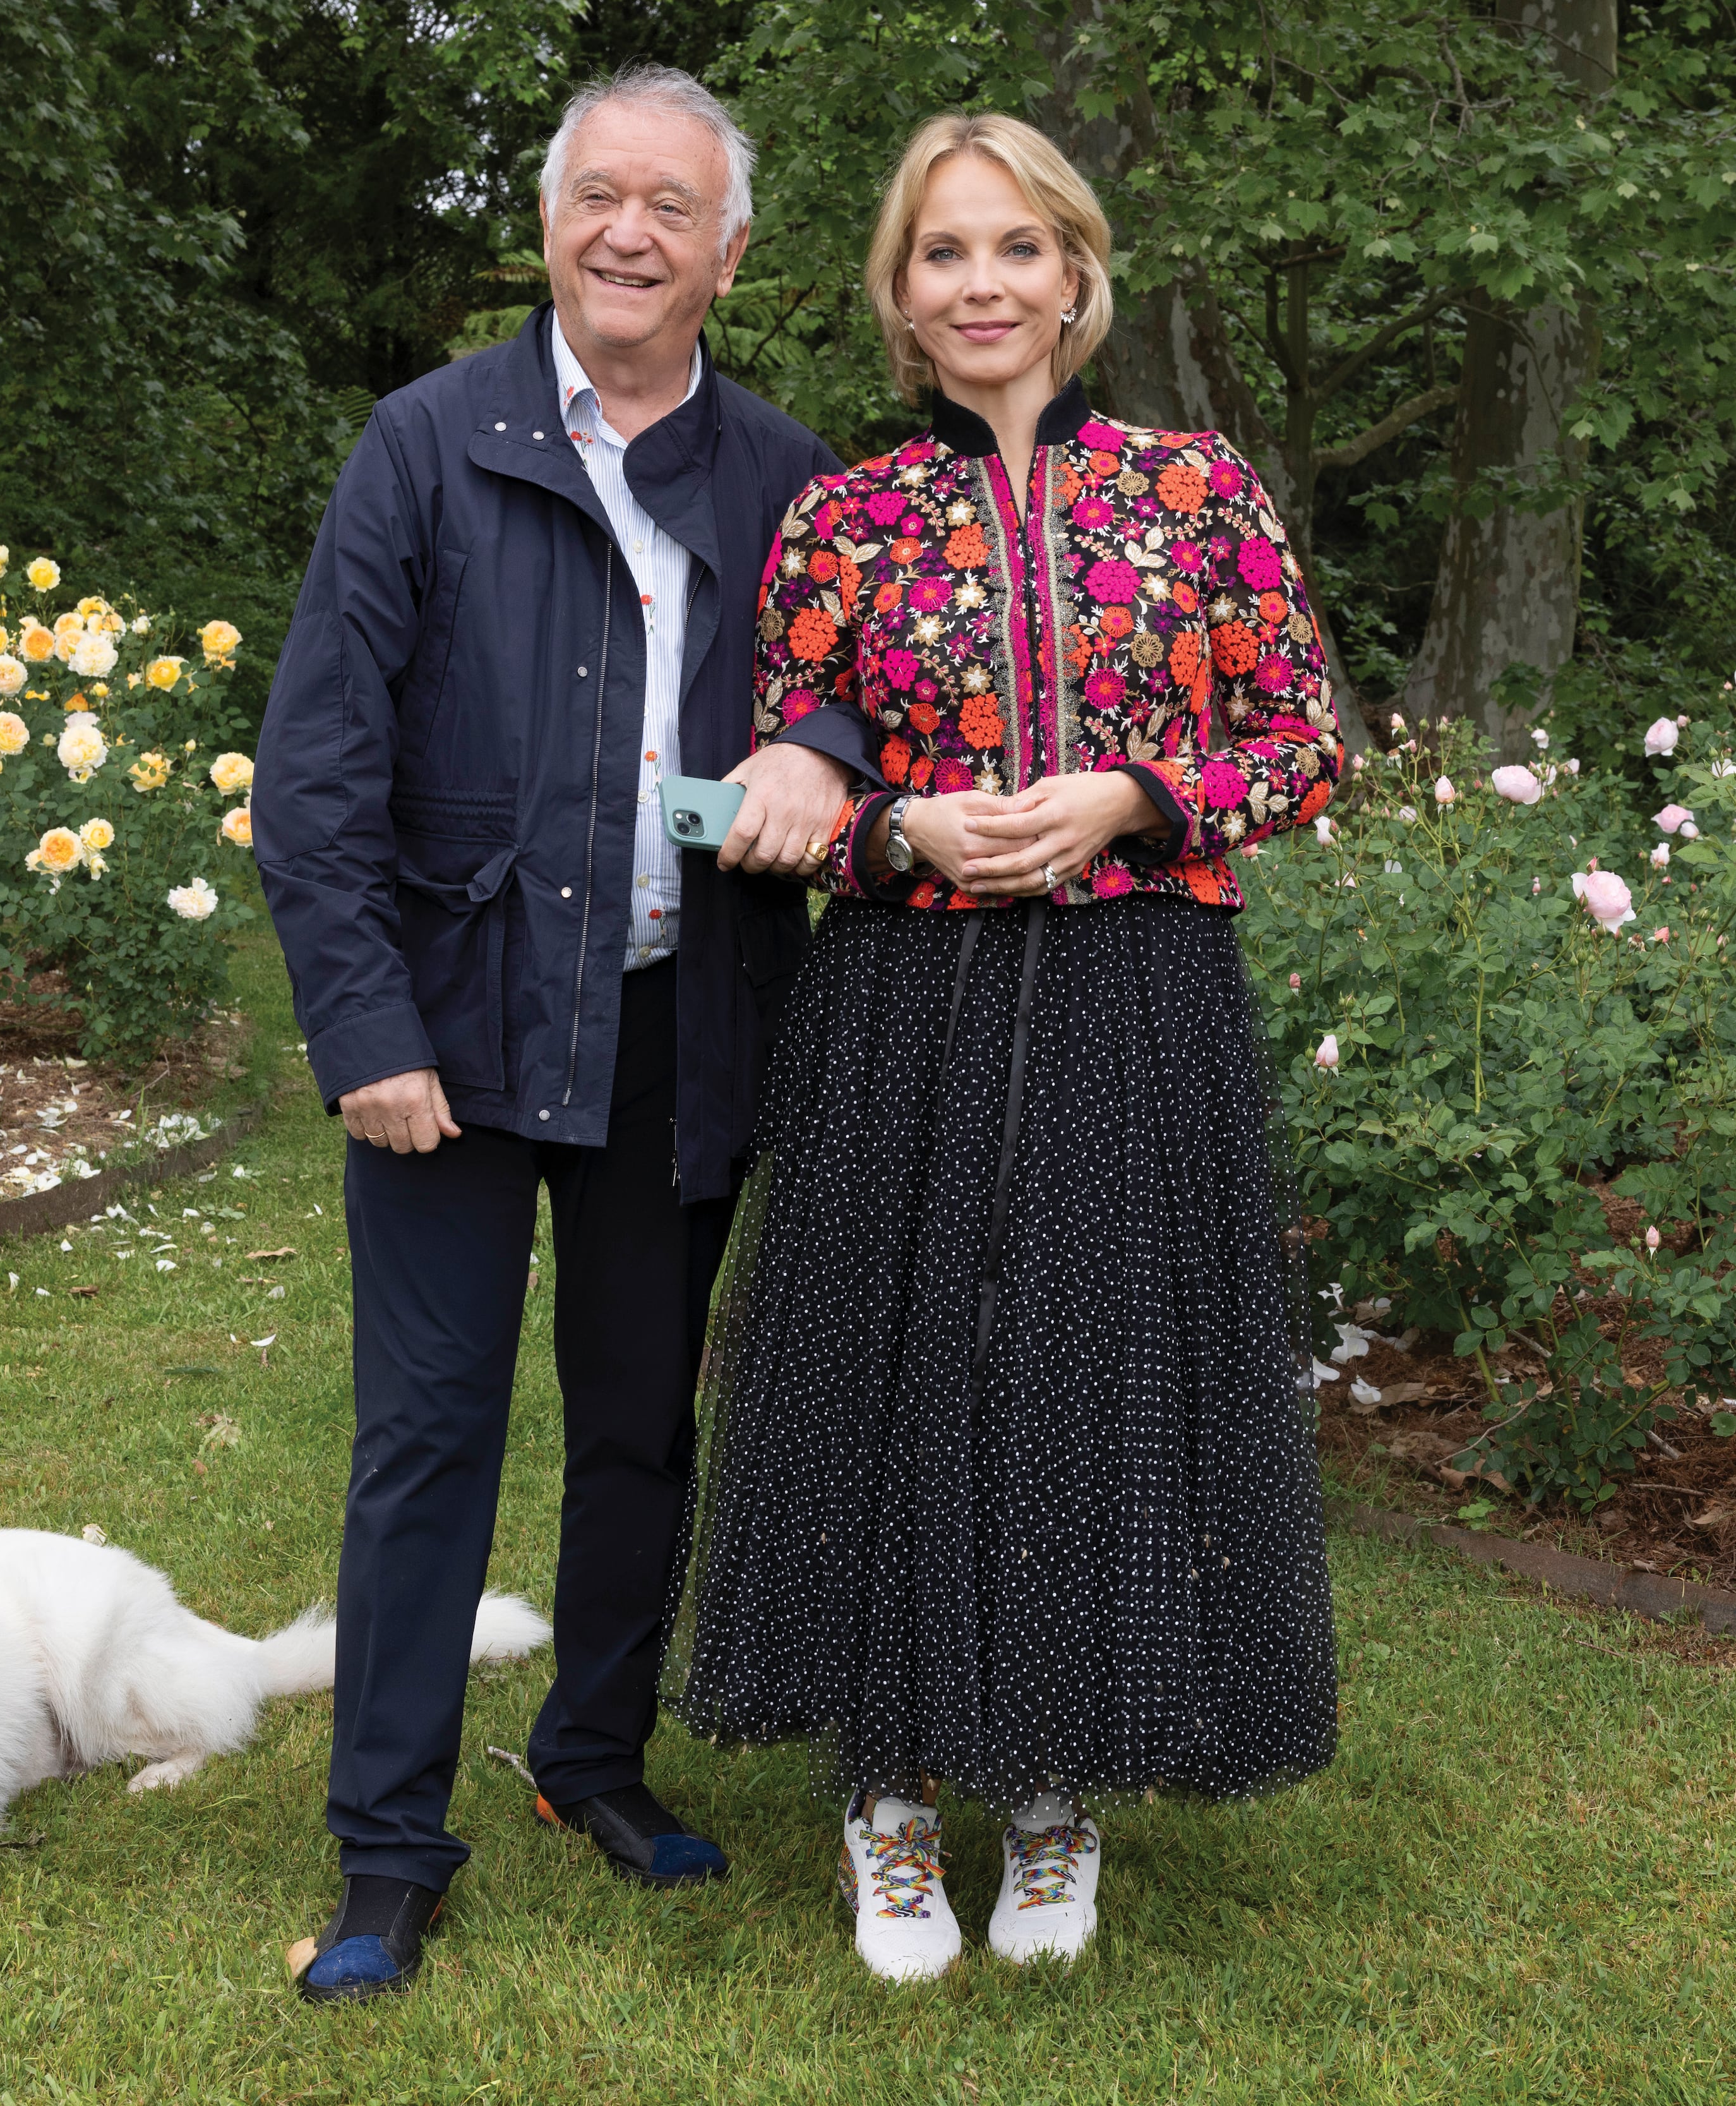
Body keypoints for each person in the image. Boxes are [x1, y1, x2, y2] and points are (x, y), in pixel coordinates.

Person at [674, 111, 1345, 1982]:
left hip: (1139, 995)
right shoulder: (846, 515)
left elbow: (1298, 742)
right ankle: (887, 1800)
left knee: (1093, 1361)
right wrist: (903, 833)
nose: (981, 285)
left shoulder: (1196, 494)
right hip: (907, 1003)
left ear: (1075, 273)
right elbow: (787, 774)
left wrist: (1138, 791)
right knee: (897, 1365)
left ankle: (1055, 1797)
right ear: (901, 294)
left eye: (1014, 249)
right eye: (942, 254)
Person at [252, 65, 870, 2003]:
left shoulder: (788, 478)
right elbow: (318, 768)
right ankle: (385, 1846)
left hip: (681, 1026)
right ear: (547, 224)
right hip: (448, 1031)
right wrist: (364, 1026)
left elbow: (866, 695)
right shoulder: (427, 444)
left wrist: (820, 746)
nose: (629, 233)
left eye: (671, 208)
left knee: (636, 1429)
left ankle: (591, 1758)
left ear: (730, 252)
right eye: (598, 195)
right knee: (426, 1438)